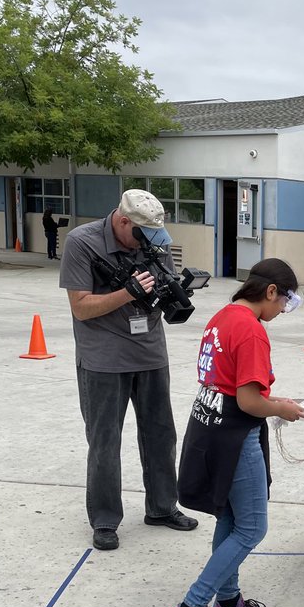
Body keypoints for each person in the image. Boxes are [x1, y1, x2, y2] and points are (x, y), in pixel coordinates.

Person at [162, 258, 304, 607]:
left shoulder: (222, 317)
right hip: (233, 435)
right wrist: (283, 409)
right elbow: (248, 402)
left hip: (207, 427)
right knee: (253, 526)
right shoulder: (252, 331)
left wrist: (273, 399)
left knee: (230, 517)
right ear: (271, 292)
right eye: (284, 302)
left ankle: (227, 602)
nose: (281, 311)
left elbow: (231, 385)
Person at [58, 189, 198, 552]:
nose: (151, 243)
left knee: (161, 435)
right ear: (123, 221)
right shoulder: (82, 243)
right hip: (103, 358)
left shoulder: (153, 239)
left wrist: (175, 294)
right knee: (105, 441)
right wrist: (128, 292)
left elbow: (161, 290)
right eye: (142, 235)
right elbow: (81, 308)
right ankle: (105, 519)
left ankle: (163, 507)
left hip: (150, 352)